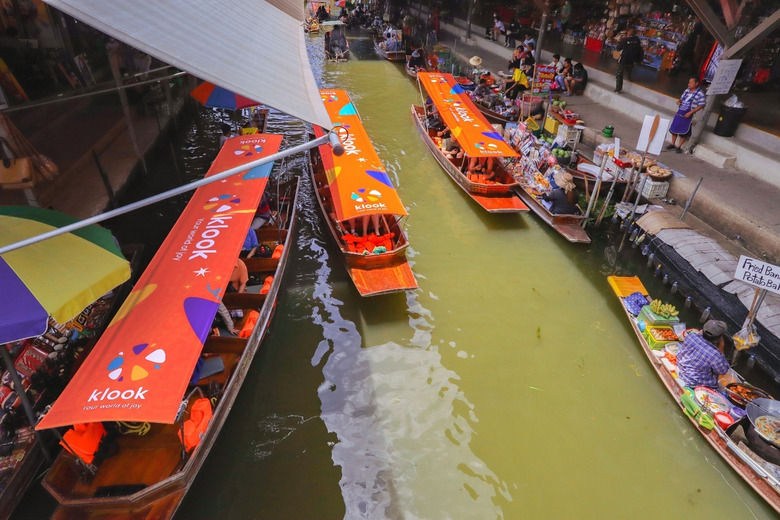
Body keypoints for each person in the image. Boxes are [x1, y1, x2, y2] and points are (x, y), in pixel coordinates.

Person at [676, 320, 731, 389]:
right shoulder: (714, 354)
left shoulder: (691, 336)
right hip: (694, 383)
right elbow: (723, 371)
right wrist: (721, 350)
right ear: (719, 339)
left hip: (681, 371)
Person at [666, 76, 705, 153]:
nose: (689, 84)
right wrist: (679, 101)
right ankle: (672, 144)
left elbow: (701, 105)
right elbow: (681, 99)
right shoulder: (687, 91)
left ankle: (678, 147)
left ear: (696, 83)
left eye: (691, 83)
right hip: (680, 112)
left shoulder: (700, 93)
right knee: (674, 128)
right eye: (689, 82)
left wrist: (691, 112)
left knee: (684, 132)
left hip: (689, 114)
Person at [614, 28, 644, 93]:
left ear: (628, 33)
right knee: (628, 70)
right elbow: (641, 50)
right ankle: (629, 79)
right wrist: (640, 60)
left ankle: (618, 88)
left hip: (624, 59)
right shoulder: (637, 40)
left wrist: (620, 41)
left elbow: (618, 48)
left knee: (619, 73)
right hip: (632, 59)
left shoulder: (626, 40)